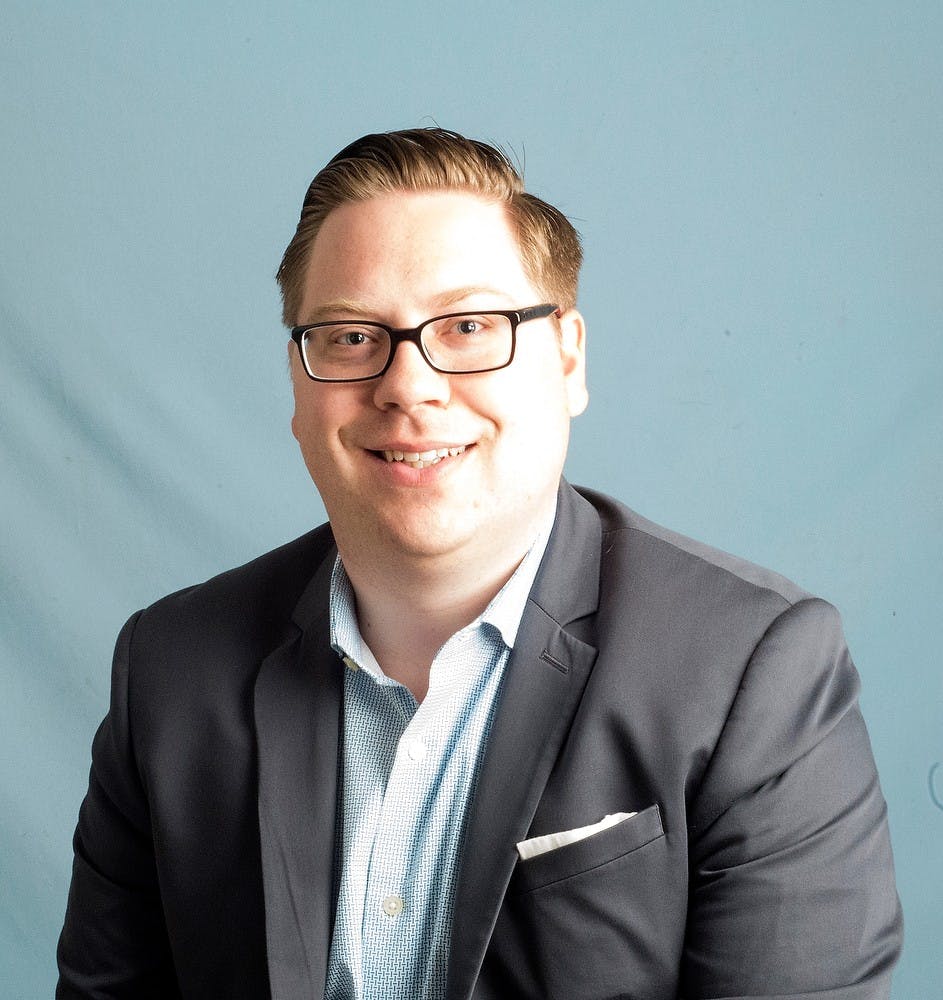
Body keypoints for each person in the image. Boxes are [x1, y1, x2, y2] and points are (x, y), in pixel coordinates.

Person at [57, 128, 903, 999]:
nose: (408, 385)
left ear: (567, 357)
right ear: (298, 382)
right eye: (351, 336)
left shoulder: (750, 672)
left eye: (467, 326)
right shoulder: (171, 666)